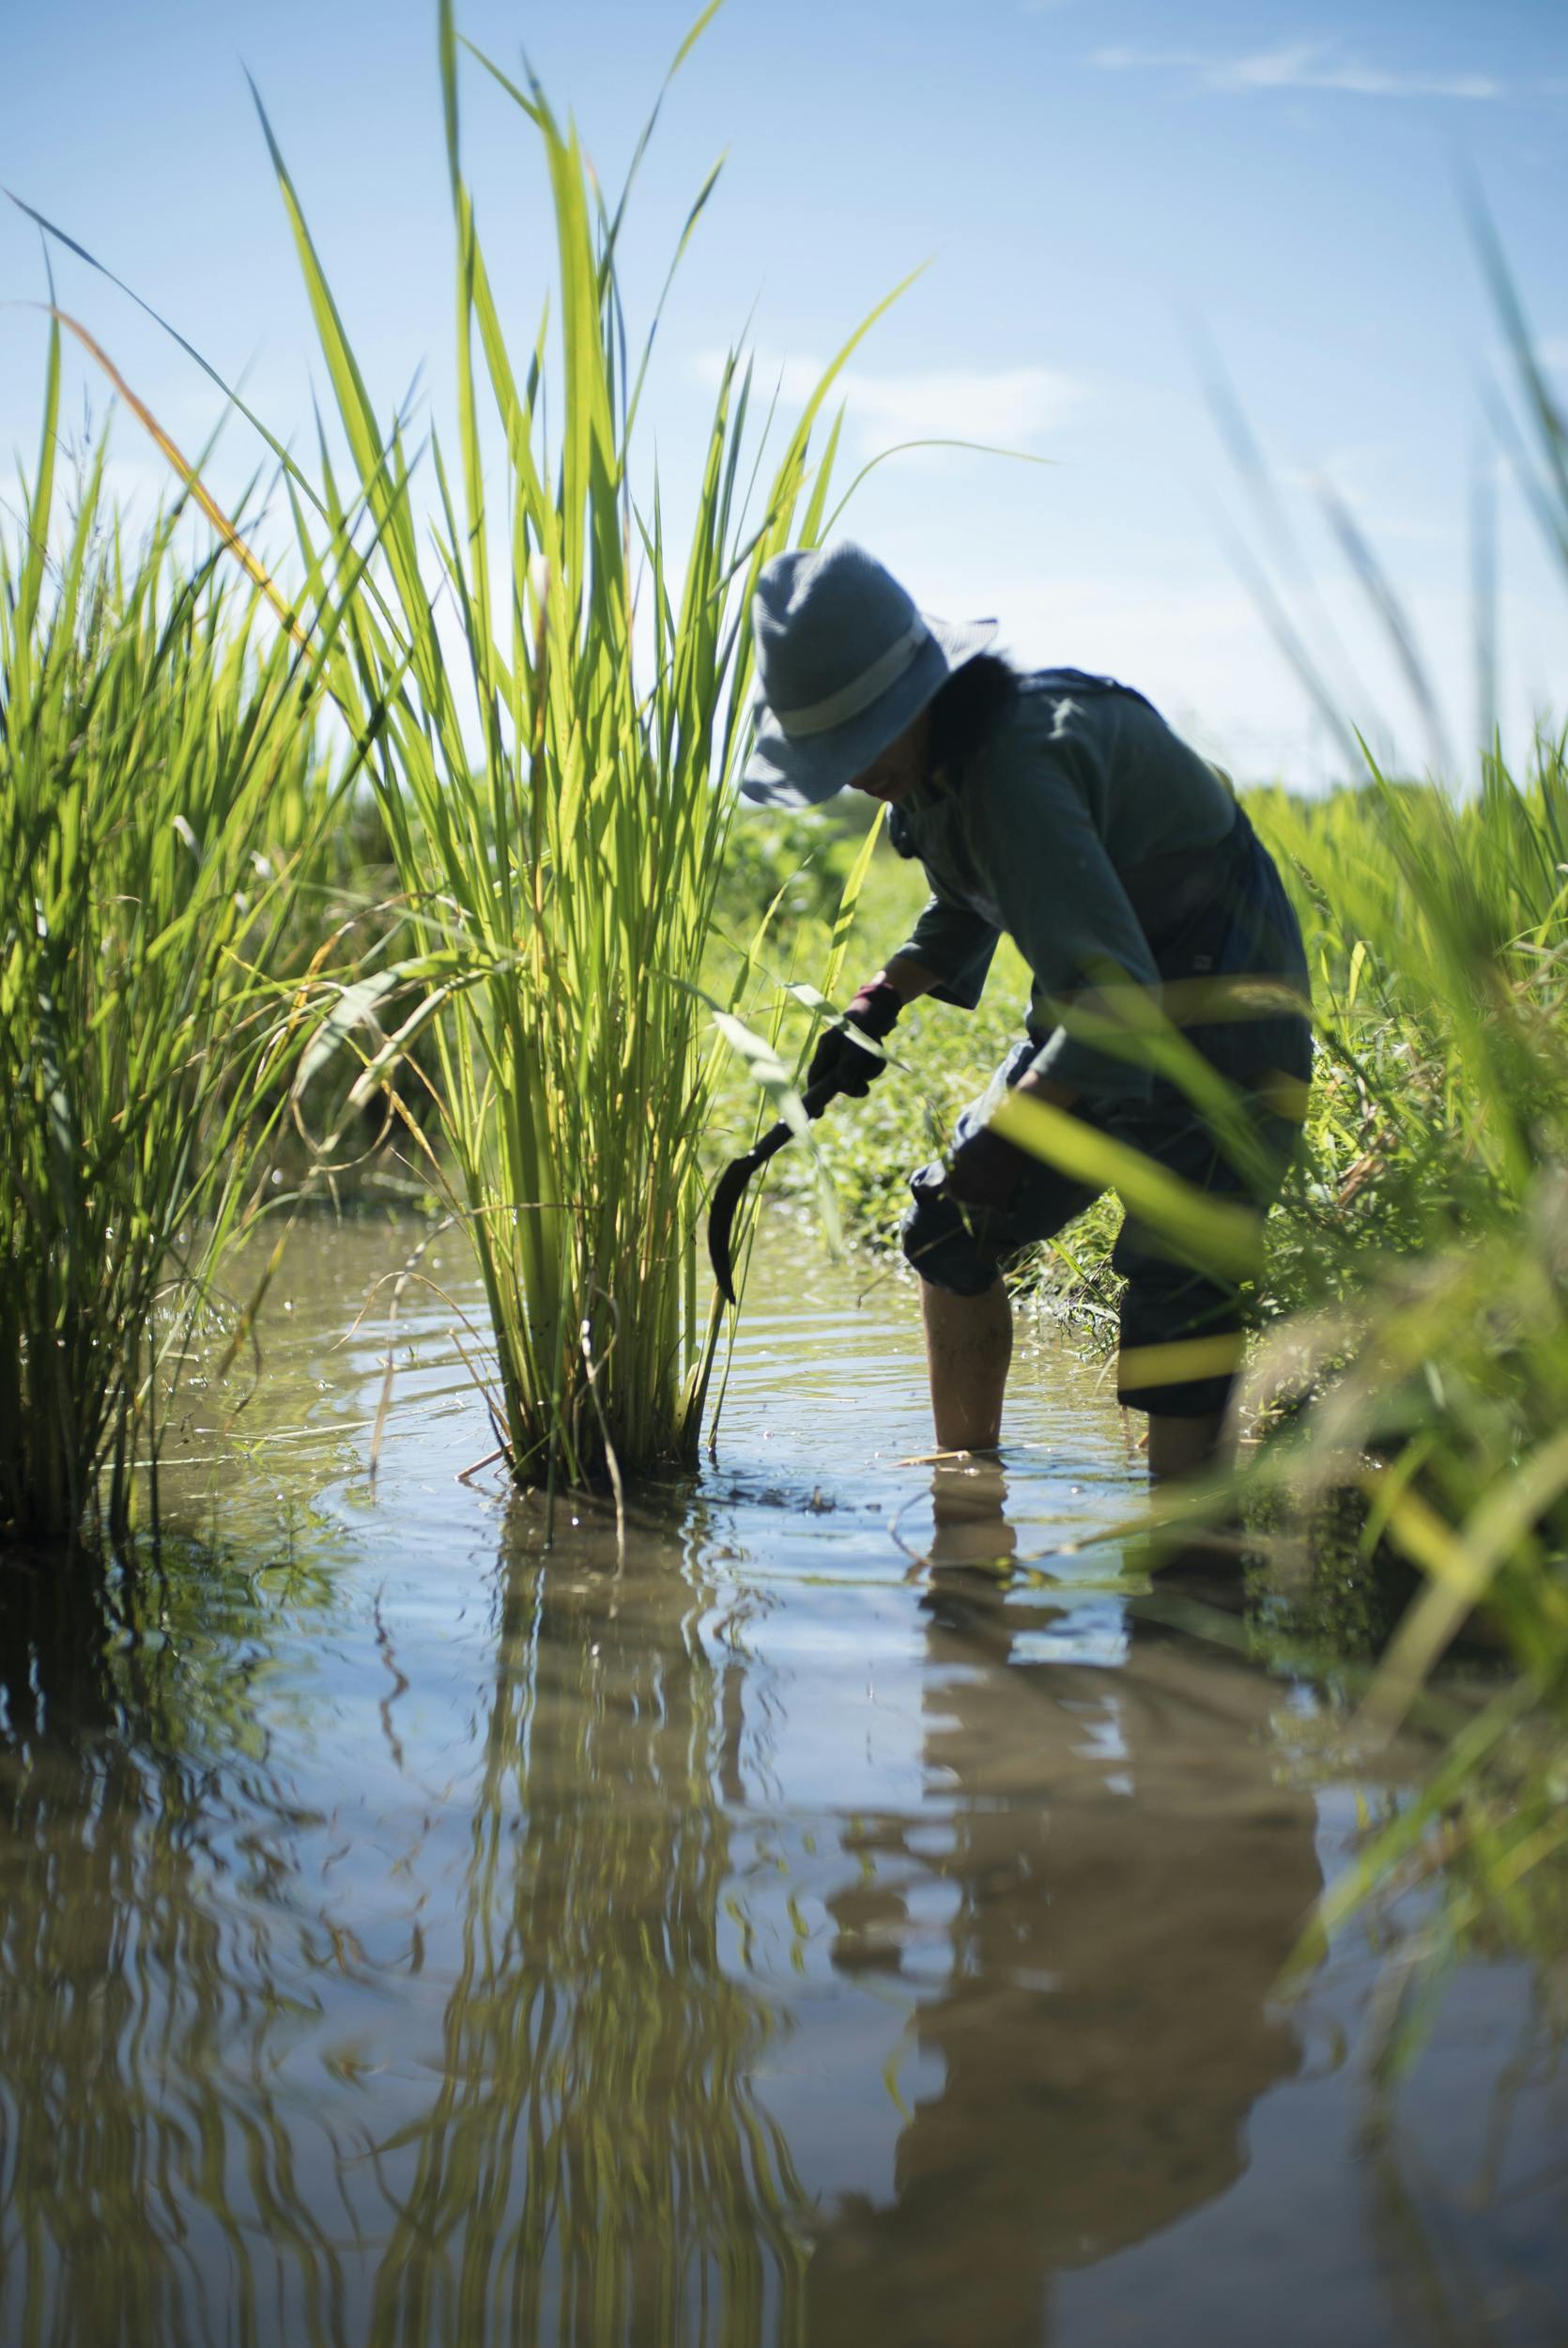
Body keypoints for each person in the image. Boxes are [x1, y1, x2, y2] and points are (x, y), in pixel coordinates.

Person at [740, 542, 1313, 1485]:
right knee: (945, 1232)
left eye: (855, 746)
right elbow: (968, 899)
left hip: (1225, 1014)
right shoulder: (933, 769)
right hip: (1101, 1000)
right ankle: (968, 1486)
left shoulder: (1019, 764)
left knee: (1180, 1292)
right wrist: (879, 1000)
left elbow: (1112, 999)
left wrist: (1003, 1144)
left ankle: (1183, 1562)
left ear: (915, 700)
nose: (848, 776)